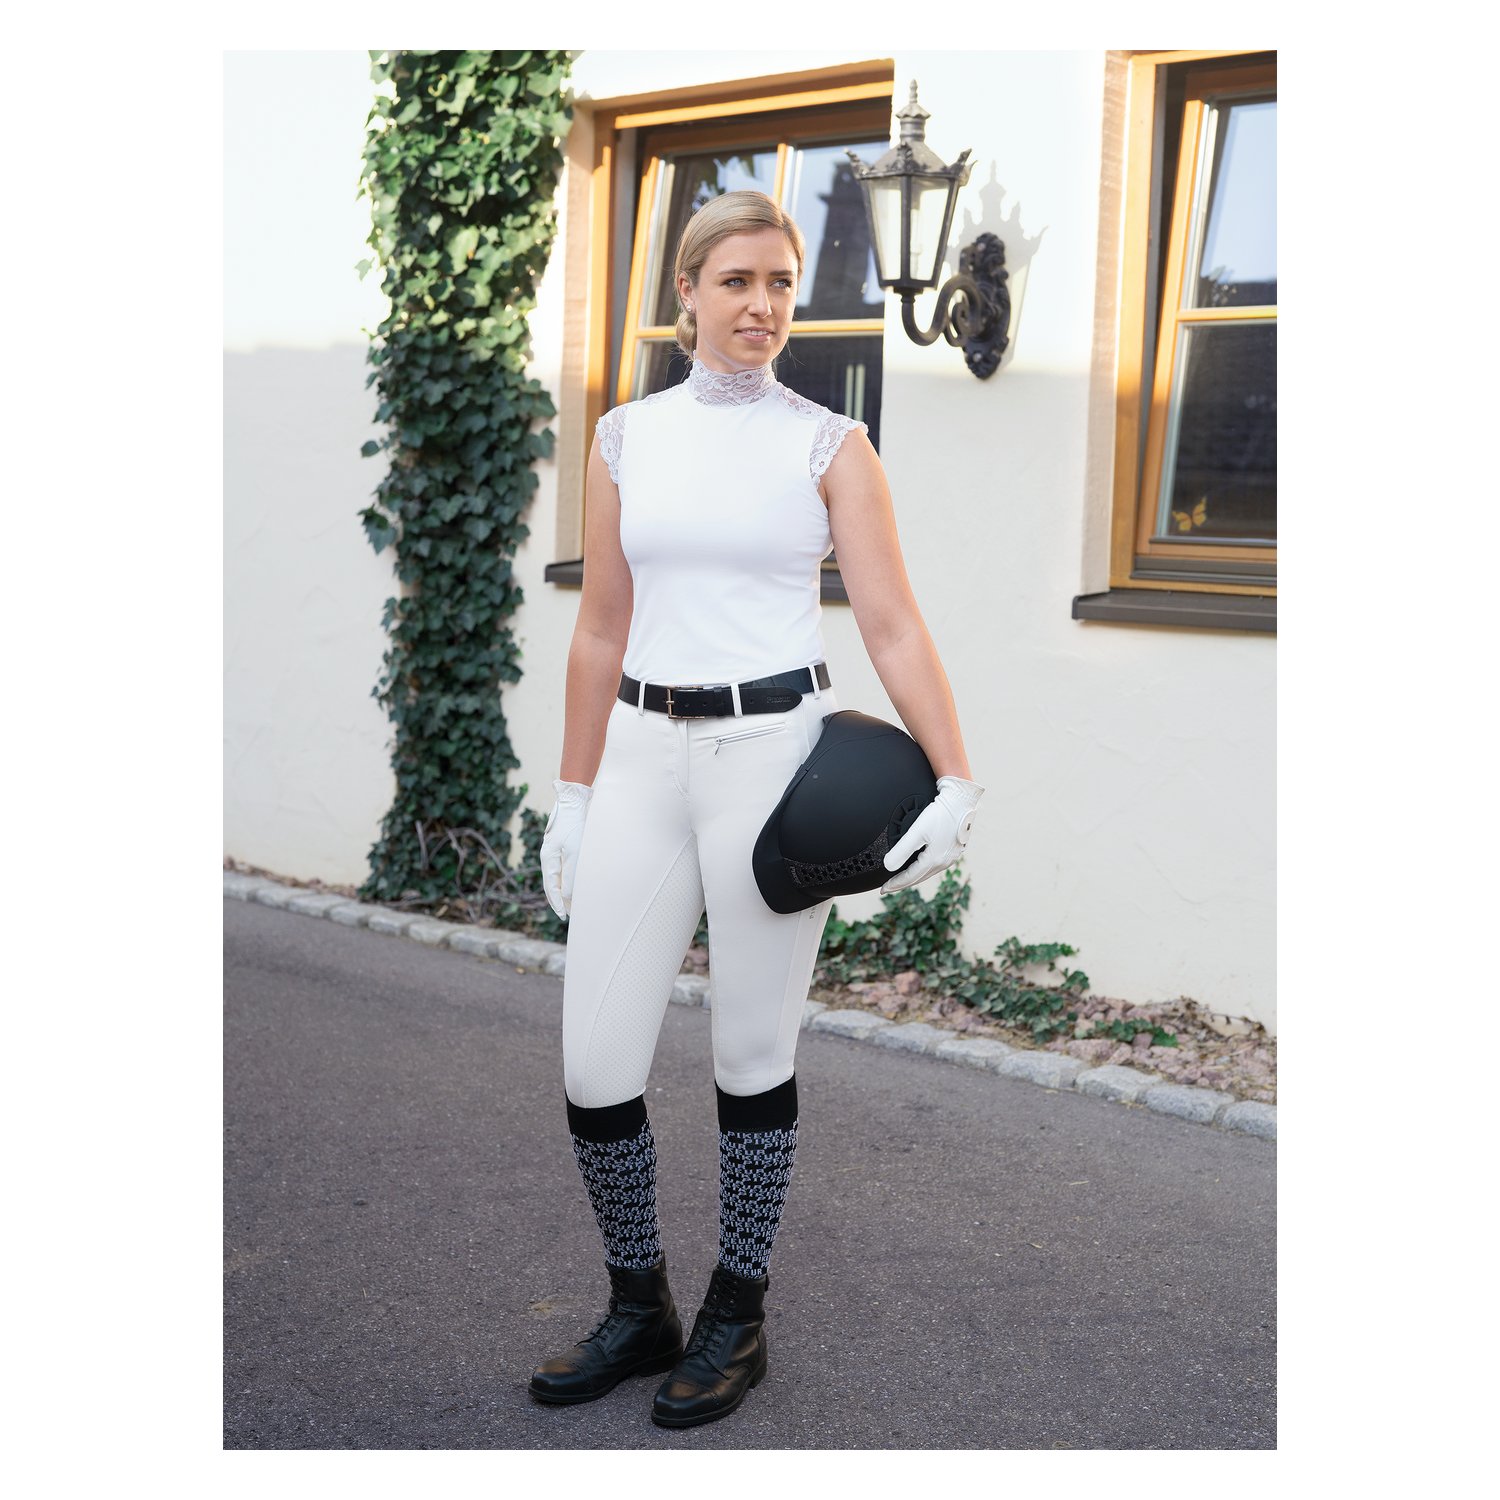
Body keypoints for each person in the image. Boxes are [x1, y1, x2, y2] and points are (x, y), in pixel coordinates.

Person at [529, 189, 983, 1428]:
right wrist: (572, 793)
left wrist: (956, 777)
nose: (764, 305)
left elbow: (892, 623)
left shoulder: (829, 446)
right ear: (686, 291)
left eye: (782, 282)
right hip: (639, 757)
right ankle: (639, 1305)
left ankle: (738, 1313)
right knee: (595, 1064)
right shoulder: (624, 439)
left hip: (769, 760)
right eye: (737, 281)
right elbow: (600, 627)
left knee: (750, 1055)